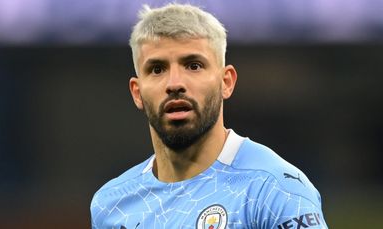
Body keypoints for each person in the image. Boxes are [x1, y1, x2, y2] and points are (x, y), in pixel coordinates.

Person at [90, 3, 328, 229]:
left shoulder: (275, 189)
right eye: (157, 69)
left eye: (193, 65)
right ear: (137, 92)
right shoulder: (112, 205)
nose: (175, 84)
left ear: (226, 82)